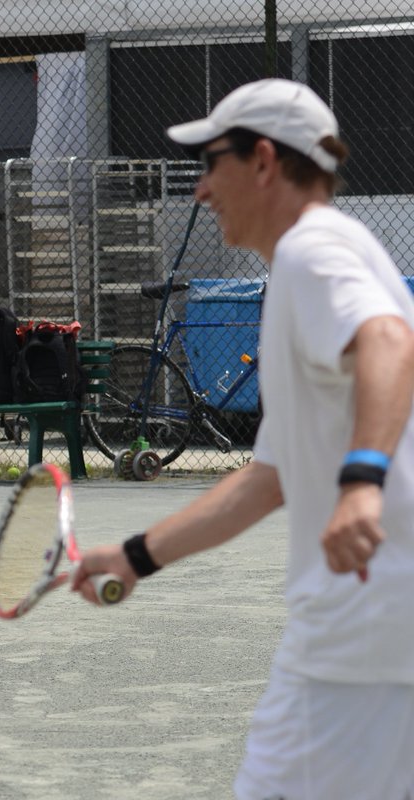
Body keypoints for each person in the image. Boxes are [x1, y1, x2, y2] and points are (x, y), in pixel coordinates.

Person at [71, 79, 414, 799]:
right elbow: (271, 477)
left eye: (210, 162)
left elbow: (389, 341)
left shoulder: (311, 252)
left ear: (263, 161)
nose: (200, 190)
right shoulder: (316, 258)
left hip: (357, 641)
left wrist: (360, 484)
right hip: (371, 635)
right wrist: (134, 557)